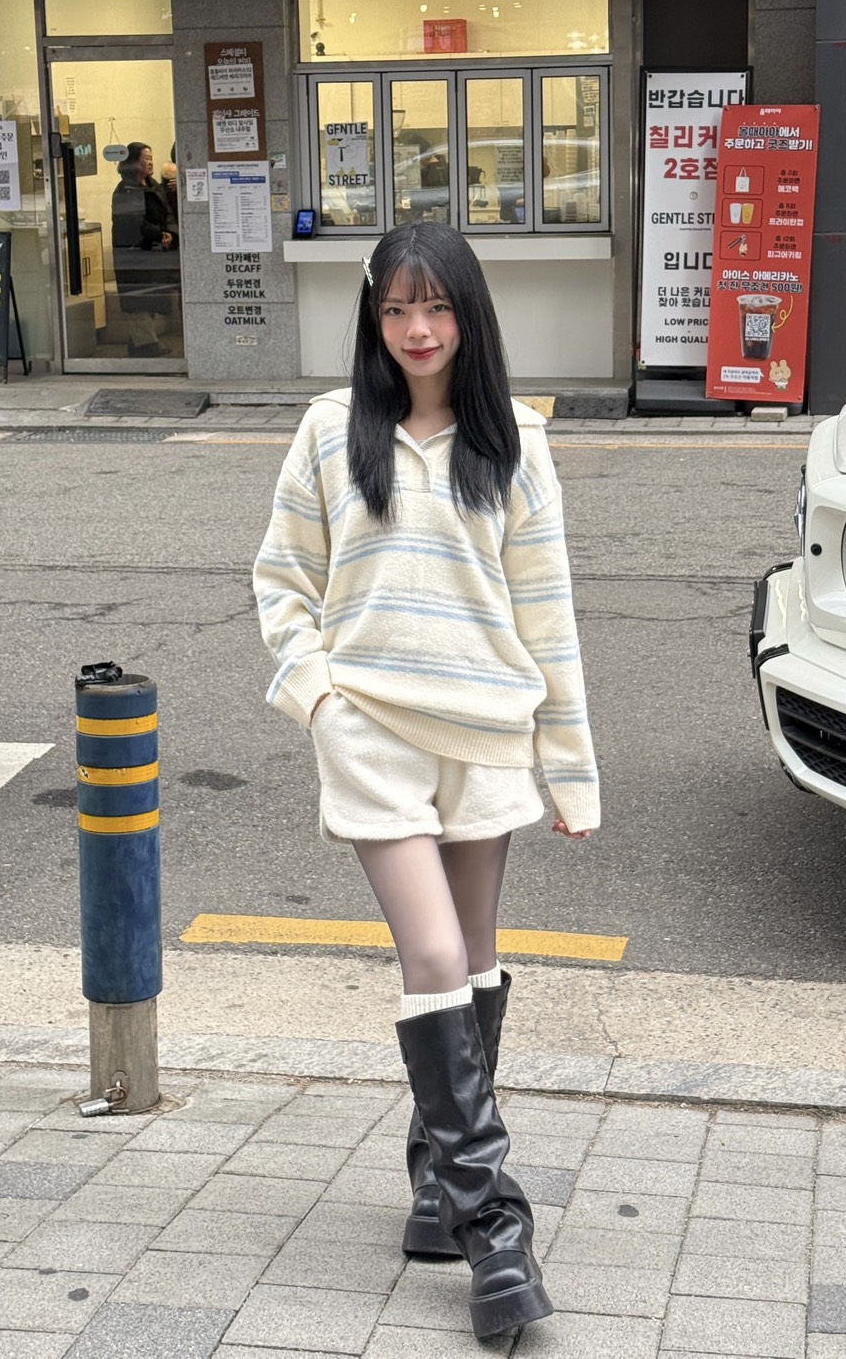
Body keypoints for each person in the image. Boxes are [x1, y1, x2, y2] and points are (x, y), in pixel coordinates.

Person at [253, 222, 599, 1341]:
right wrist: (320, 697)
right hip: (372, 734)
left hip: (486, 734)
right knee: (437, 955)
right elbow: (281, 580)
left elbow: (546, 613)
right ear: (374, 316)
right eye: (397, 308)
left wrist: (568, 766)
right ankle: (495, 1227)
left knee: (477, 960)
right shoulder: (329, 430)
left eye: (436, 307)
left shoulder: (516, 443)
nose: (417, 329)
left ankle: (433, 1183)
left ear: (468, 314)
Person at [110, 141, 179, 358]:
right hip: (134, 255)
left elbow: (168, 213)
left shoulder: (153, 185)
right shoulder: (125, 190)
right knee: (139, 302)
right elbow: (131, 223)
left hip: (155, 254)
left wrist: (171, 236)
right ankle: (146, 346)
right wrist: (159, 236)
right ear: (133, 162)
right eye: (145, 158)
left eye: (151, 158)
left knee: (150, 300)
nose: (150, 162)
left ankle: (138, 343)